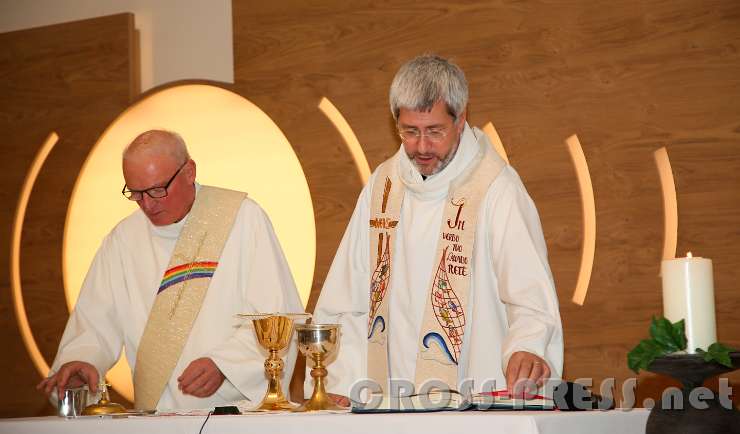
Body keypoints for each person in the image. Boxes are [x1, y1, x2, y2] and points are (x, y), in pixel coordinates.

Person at [311, 55, 563, 402]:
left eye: (434, 131)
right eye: (410, 132)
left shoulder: (495, 187)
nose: (421, 147)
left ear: (461, 120)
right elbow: (349, 294)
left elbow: (529, 294)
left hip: (473, 389)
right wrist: (341, 380)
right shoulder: (383, 187)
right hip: (389, 395)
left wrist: (527, 347)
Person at [38, 130, 303, 410]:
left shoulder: (242, 219)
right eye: (136, 193)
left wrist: (226, 364)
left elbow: (277, 316)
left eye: (156, 190)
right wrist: (83, 361)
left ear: (189, 171)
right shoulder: (124, 240)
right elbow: (95, 322)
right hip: (156, 417)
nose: (148, 205)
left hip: (235, 413)